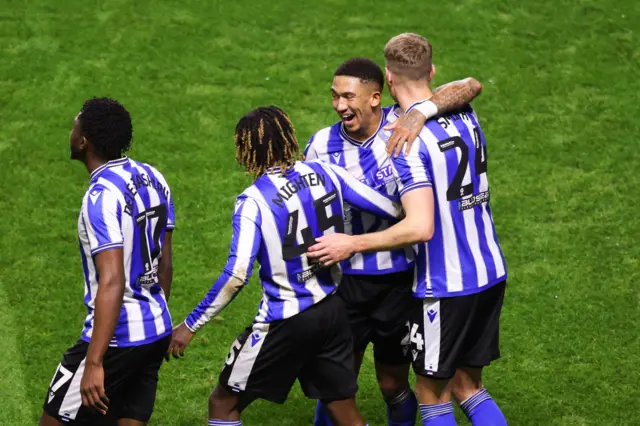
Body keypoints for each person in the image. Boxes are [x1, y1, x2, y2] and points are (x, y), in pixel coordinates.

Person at [307, 34, 508, 426]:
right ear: (431, 72)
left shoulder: (404, 140)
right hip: (490, 268)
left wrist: (352, 242)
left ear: (385, 82)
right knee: (469, 385)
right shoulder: (464, 110)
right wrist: (422, 109)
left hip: (447, 281)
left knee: (432, 395)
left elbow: (420, 225)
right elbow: (471, 84)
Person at [167, 106, 405, 426]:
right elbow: (388, 207)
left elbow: (237, 275)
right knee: (342, 408)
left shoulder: (253, 201)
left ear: (245, 150)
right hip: (333, 309)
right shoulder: (326, 171)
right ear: (288, 138)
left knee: (223, 403)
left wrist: (190, 325)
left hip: (286, 320)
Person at [40, 97, 175, 426]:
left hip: (118, 338)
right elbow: (165, 262)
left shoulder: (100, 198)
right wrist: (157, 314)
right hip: (157, 329)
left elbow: (112, 279)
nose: (70, 131)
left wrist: (95, 361)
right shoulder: (152, 176)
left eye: (74, 126)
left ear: (83, 142)